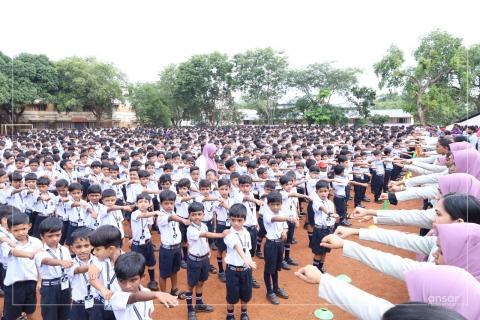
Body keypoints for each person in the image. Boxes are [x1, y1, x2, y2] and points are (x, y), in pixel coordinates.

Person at [186, 201, 226, 320]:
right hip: (194, 260)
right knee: (190, 285)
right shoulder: (191, 229)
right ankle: (190, 309)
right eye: (194, 215)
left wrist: (208, 249)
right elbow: (204, 235)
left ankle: (199, 304)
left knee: (201, 281)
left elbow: (205, 240)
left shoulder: (204, 225)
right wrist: (221, 235)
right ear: (189, 215)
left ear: (203, 215)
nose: (197, 217)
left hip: (204, 259)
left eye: (199, 214)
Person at [110, 252, 178, 320]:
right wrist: (156, 294)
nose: (127, 286)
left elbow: (148, 314)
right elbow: (135, 297)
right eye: (122, 281)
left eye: (133, 280)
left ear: (142, 277)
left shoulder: (147, 292)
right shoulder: (115, 296)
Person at [2, 212, 43, 320]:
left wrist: (39, 280)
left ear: (29, 226)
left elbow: (38, 264)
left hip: (31, 282)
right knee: (10, 314)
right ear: (9, 230)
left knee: (30, 310)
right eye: (16, 230)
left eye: (23, 229)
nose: (20, 232)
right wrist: (30, 254)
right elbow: (13, 252)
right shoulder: (8, 244)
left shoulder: (36, 242)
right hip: (14, 285)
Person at [262, 191, 298, 305]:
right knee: (269, 269)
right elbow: (275, 219)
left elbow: (285, 227)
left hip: (279, 244)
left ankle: (276, 288)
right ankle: (269, 291)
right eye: (272, 204)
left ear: (281, 204)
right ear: (268, 204)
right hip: (270, 244)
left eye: (278, 204)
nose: (275, 207)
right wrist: (288, 218)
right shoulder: (267, 213)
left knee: (276, 268)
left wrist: (284, 231)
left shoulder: (281, 212)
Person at [35, 217, 74, 320]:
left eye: (58, 235)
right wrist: (60, 262)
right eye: (50, 236)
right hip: (49, 288)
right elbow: (47, 261)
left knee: (65, 313)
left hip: (65, 286)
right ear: (42, 237)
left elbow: (70, 266)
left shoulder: (65, 250)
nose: (55, 238)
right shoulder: (40, 252)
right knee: (50, 315)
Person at [223, 204, 257, 320]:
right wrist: (247, 260)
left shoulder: (247, 233)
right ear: (229, 219)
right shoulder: (228, 233)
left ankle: (244, 312)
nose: (236, 223)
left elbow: (247, 250)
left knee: (245, 293)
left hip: (246, 269)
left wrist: (249, 261)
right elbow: (237, 246)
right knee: (231, 295)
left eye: (239, 220)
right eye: (233, 220)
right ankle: (230, 314)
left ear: (245, 220)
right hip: (233, 270)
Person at [130, 193, 159, 291]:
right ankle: (137, 285)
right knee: (137, 266)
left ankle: (152, 281)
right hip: (137, 245)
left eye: (146, 202)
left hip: (147, 243)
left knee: (151, 263)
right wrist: (155, 212)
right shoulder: (135, 213)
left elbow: (149, 227)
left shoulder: (149, 215)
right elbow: (142, 216)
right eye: (140, 202)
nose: (143, 204)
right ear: (136, 204)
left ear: (150, 204)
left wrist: (147, 237)